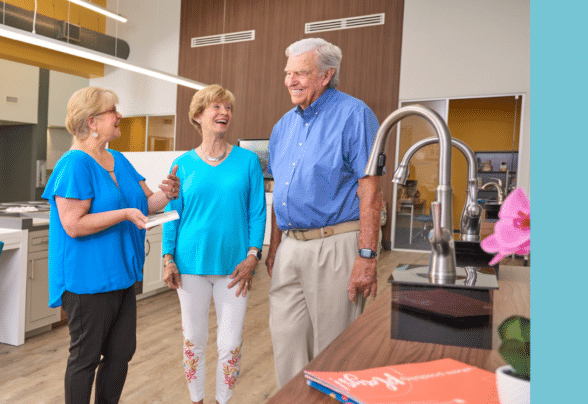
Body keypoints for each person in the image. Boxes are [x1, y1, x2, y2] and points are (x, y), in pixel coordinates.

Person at [43, 86, 180, 404]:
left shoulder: (118, 159)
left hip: (122, 275)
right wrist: (124, 214)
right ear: (92, 121)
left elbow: (147, 204)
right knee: (86, 357)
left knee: (121, 352)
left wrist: (167, 193)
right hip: (87, 279)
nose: (119, 116)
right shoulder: (74, 164)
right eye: (112, 111)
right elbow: (73, 224)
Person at [265, 38, 383, 388]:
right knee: (286, 342)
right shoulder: (282, 127)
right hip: (289, 246)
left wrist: (367, 256)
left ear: (326, 75)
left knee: (334, 349)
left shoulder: (354, 115)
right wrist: (274, 248)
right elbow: (279, 192)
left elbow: (371, 191)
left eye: (300, 73)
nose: (290, 81)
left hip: (335, 243)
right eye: (288, 73)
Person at [160, 85, 265, 404]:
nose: (224, 113)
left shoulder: (248, 161)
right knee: (193, 340)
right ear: (198, 116)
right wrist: (167, 257)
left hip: (235, 267)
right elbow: (172, 214)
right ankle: (197, 400)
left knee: (230, 343)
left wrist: (253, 255)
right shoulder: (182, 163)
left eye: (228, 108)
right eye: (216, 107)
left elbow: (257, 212)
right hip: (189, 265)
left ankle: (223, 400)